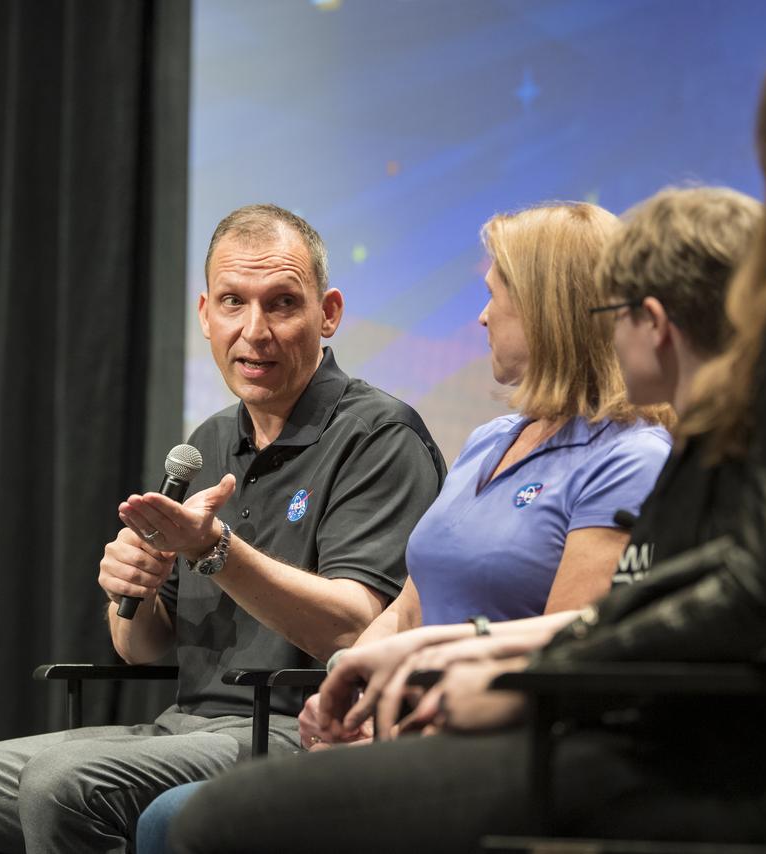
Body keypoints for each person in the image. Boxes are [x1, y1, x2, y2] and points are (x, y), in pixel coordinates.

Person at [167, 9, 766, 852]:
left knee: (218, 823)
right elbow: (741, 586)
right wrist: (476, 651)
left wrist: (517, 679)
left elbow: (762, 602)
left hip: (726, 764)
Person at [0, 204, 447, 853]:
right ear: (205, 314)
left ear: (329, 312)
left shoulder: (377, 437)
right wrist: (134, 592)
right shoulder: (209, 441)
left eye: (282, 303)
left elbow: (358, 626)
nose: (254, 331)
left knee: (65, 785)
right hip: (181, 728)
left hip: (291, 734)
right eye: (233, 302)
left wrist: (213, 549)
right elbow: (144, 649)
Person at [135, 201, 677, 851]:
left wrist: (415, 713)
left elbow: (569, 664)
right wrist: (347, 688)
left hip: (507, 750)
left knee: (184, 821)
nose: (481, 316)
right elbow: (407, 607)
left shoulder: (627, 455)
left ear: (546, 310)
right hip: (407, 732)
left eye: (494, 295)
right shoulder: (490, 440)